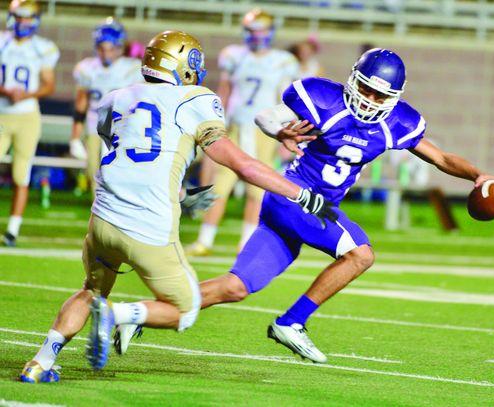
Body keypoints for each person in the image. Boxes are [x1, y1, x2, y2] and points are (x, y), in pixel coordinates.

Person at [19, 30, 335, 383]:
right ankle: (113, 314)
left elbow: (132, 161)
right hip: (148, 227)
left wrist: (182, 194)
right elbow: (243, 166)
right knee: (184, 310)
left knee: (90, 289)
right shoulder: (195, 99)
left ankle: (39, 363)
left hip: (102, 220)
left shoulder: (114, 99)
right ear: (187, 65)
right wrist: (300, 194)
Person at [187, 48, 494, 363]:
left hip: (301, 209)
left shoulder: (397, 122)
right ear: (354, 80)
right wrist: (279, 131)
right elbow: (266, 116)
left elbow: (441, 157)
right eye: (367, 90)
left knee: (235, 287)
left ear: (395, 98)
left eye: (380, 96)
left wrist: (477, 174)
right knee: (361, 253)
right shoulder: (324, 98)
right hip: (295, 196)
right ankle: (291, 322)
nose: (370, 100)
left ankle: (141, 312)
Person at [187, 8, 299, 255]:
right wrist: (214, 124)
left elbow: (286, 101)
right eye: (251, 31)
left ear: (270, 32)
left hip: (266, 131)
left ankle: (247, 242)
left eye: (259, 31)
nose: (255, 36)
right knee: (219, 185)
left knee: (258, 187)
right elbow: (224, 92)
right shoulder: (234, 55)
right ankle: (205, 240)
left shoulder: (283, 61)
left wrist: (285, 135)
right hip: (235, 127)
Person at [0, 0, 59, 247]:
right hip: (2, 113)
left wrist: (26, 94)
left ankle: (13, 229)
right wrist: (4, 90)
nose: (23, 22)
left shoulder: (43, 48)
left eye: (28, 18)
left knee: (21, 174)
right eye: (20, 17)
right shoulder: (2, 41)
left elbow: (48, 84)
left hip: (27, 116)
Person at [69, 17, 143, 196]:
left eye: (111, 48)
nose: (106, 53)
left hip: (123, 129)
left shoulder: (132, 68)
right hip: (95, 127)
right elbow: (81, 105)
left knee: (123, 175)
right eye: (102, 48)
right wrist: (75, 138)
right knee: (95, 175)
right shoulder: (87, 68)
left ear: (119, 47)